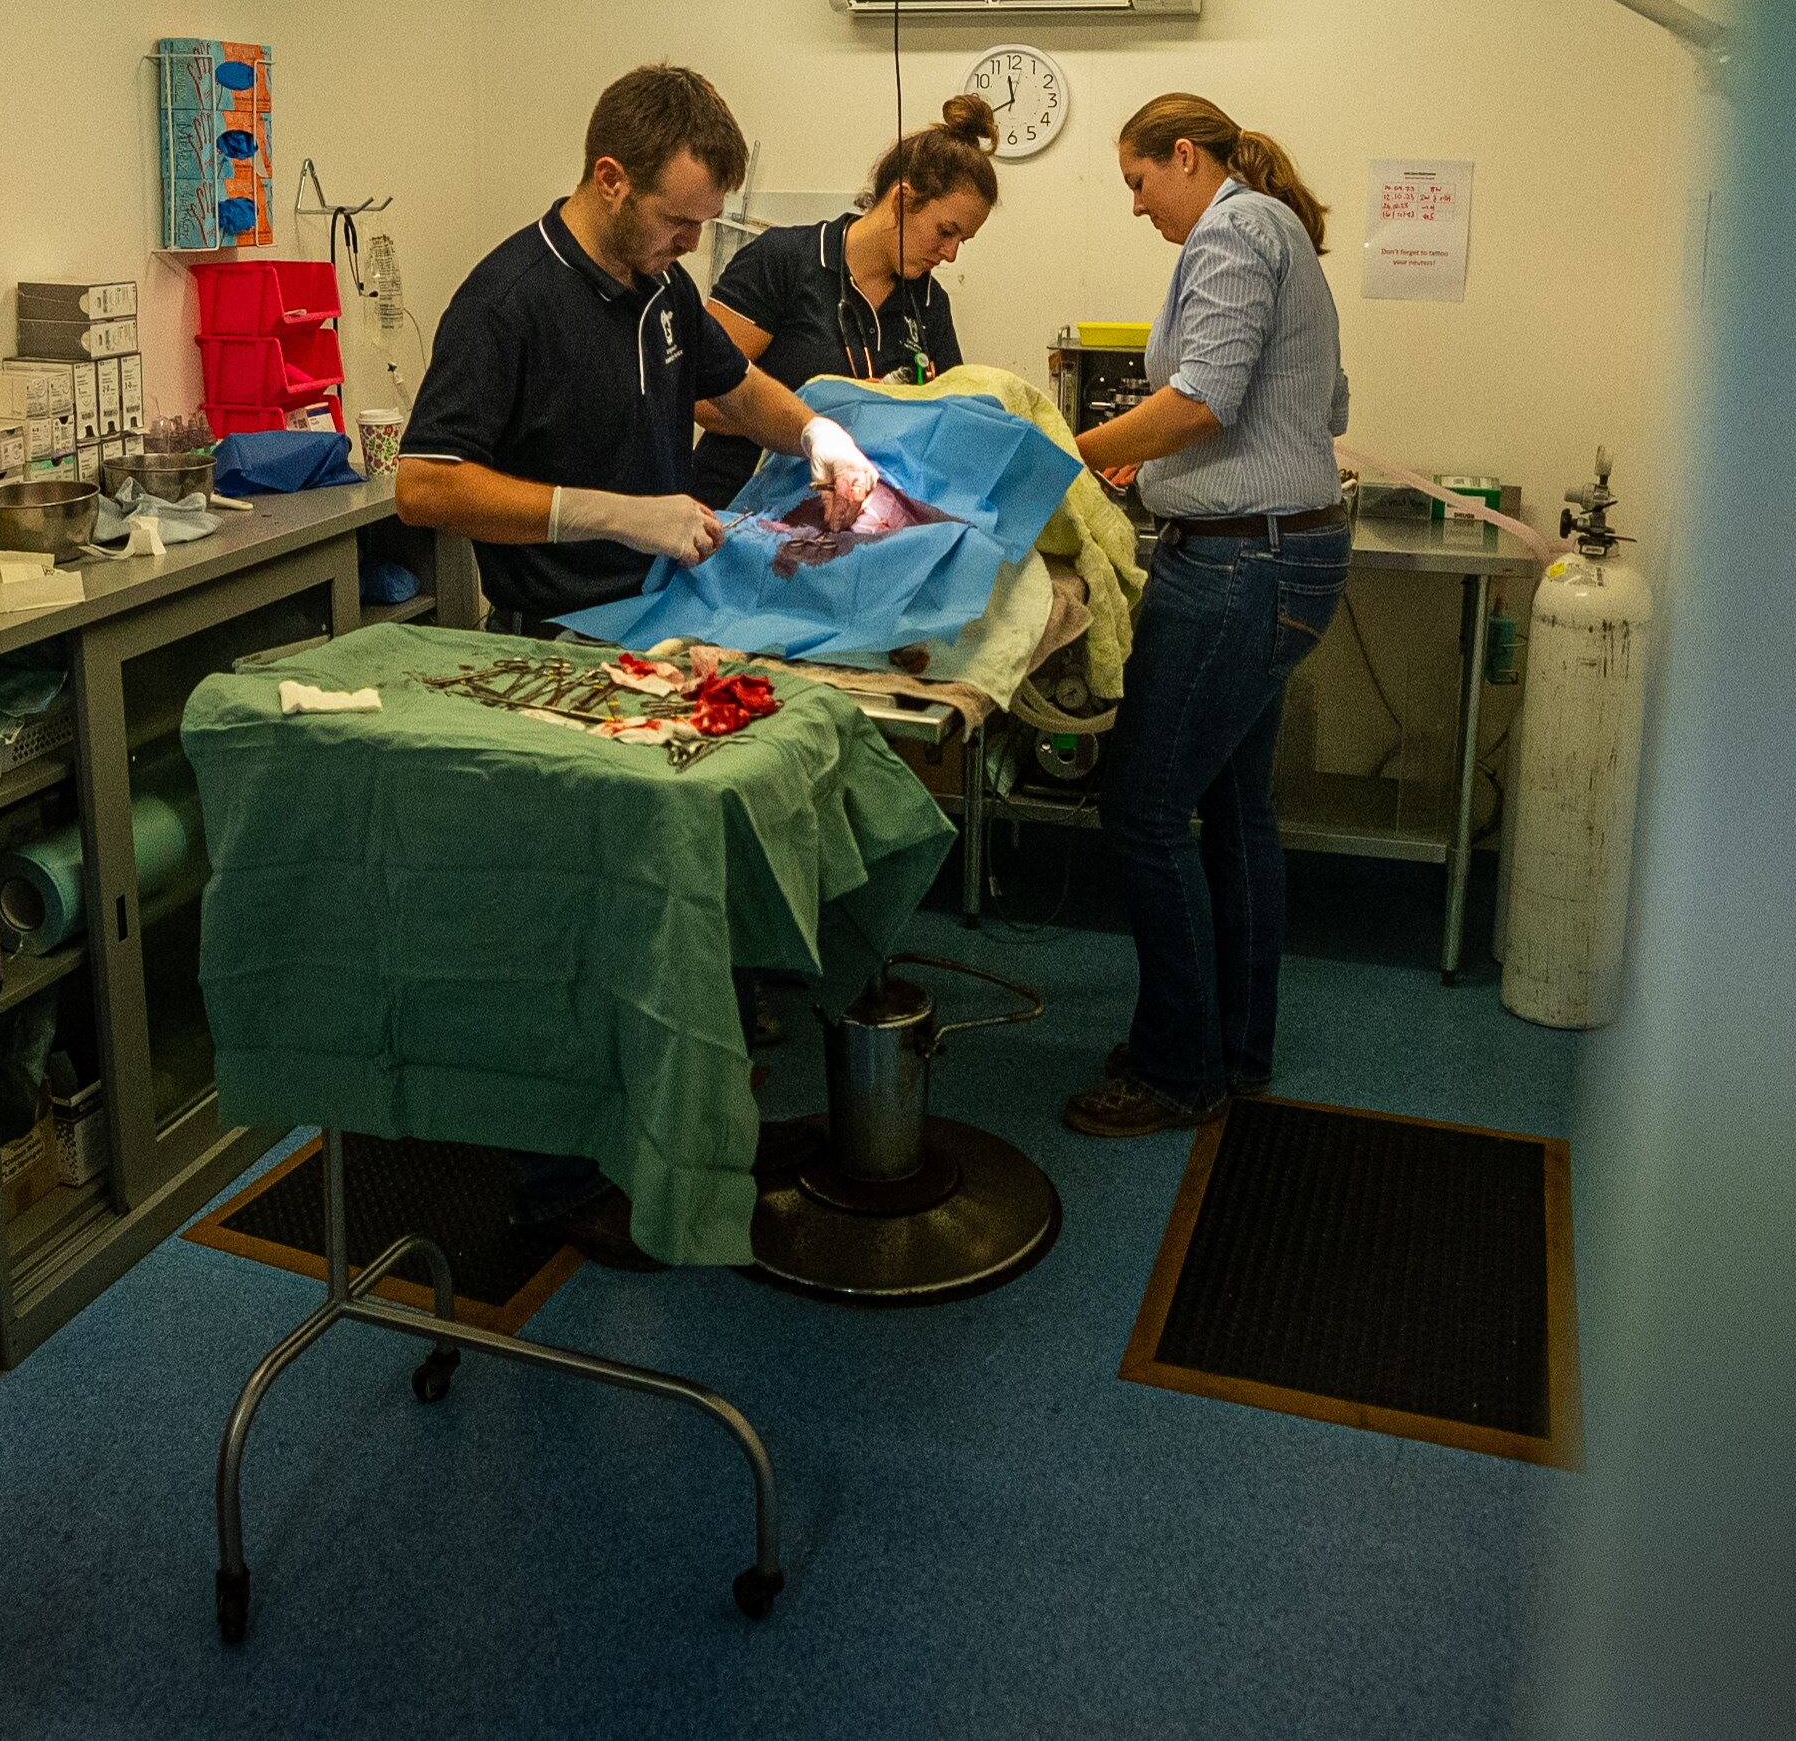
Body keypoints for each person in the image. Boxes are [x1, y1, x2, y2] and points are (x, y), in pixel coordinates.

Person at [392, 62, 881, 1265]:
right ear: (609, 179)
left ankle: (696, 1126)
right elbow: (427, 482)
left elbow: (733, 386)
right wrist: (605, 511)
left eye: (701, 225)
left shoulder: (663, 290)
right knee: (586, 945)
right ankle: (563, 1185)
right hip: (564, 659)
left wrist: (821, 432)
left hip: (666, 642)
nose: (686, 243)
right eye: (674, 218)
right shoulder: (507, 300)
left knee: (688, 921)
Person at [1058, 93, 1353, 1137]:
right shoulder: (1282, 234)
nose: (1136, 206)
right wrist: (1159, 453)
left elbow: (1204, 399)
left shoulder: (1234, 227)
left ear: (1186, 157)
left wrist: (1071, 452)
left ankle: (1178, 1072)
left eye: (1139, 182)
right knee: (1232, 811)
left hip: (1238, 571)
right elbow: (1321, 407)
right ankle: (1234, 1045)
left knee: (1142, 812)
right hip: (1284, 557)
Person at [683, 93, 999, 506]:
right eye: (945, 231)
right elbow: (699, 397)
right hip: (740, 505)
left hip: (853, 515)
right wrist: (827, 413)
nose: (951, 253)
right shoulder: (784, 261)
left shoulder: (927, 302)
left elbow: (946, 414)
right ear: (902, 200)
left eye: (963, 240)